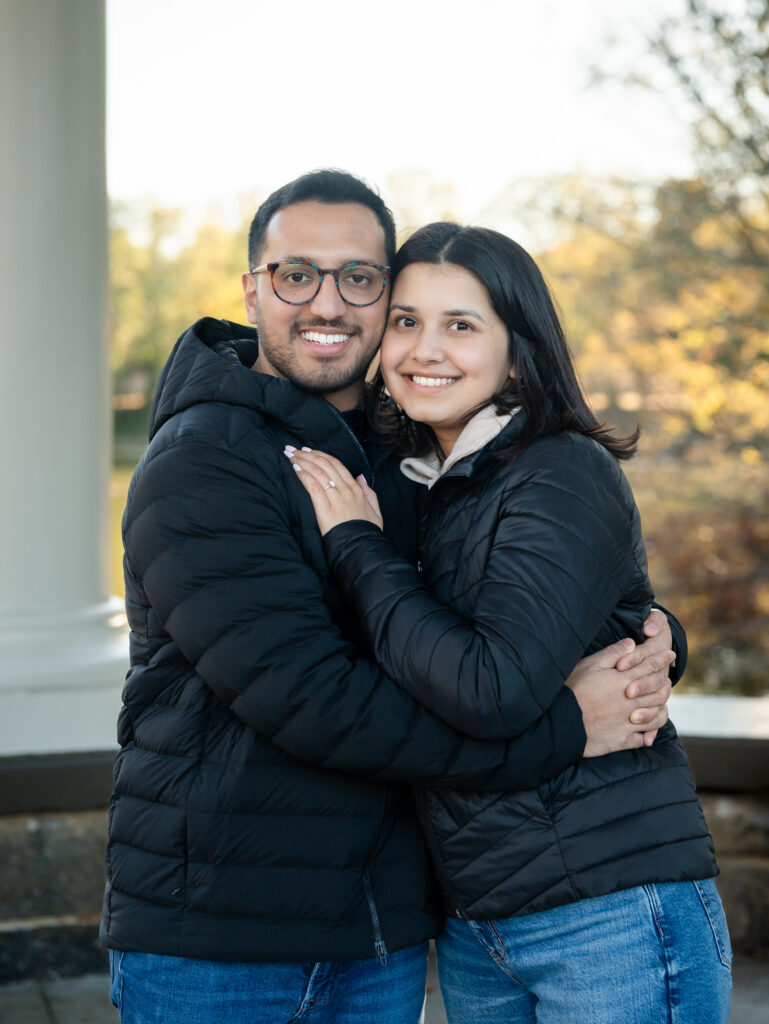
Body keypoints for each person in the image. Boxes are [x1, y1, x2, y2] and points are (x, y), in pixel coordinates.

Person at [101, 172, 680, 1024]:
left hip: (382, 932)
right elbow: (313, 701)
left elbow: (511, 598)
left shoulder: (405, 452)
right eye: (296, 273)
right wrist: (562, 729)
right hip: (225, 937)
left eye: (361, 279)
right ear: (253, 289)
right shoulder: (203, 460)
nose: (326, 302)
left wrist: (646, 646)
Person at [288, 220, 732, 1023]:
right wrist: (656, 631)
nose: (426, 349)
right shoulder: (423, 480)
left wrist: (358, 547)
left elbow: (489, 689)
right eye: (407, 321)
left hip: (607, 908)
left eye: (461, 325)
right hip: (478, 919)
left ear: (516, 348)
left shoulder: (558, 468)